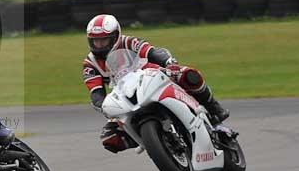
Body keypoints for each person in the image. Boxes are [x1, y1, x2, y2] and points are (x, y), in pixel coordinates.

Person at [82, 14, 230, 153]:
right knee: (109, 138)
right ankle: (152, 141)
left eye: (104, 40)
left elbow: (152, 52)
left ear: (115, 37)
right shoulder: (90, 64)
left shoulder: (129, 42)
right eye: (95, 41)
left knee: (189, 75)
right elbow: (96, 93)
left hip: (151, 76)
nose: (99, 45)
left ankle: (215, 111)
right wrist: (104, 106)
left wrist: (169, 63)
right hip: (125, 95)